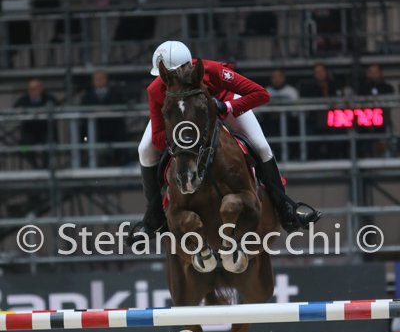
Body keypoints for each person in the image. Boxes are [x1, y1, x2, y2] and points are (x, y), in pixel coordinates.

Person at [135, 40, 321, 237]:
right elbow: (158, 138)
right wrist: (181, 136)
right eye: (165, 76)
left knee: (261, 147)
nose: (168, 81)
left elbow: (261, 94)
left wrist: (226, 107)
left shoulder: (213, 71)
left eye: (173, 74)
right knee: (144, 150)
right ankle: (154, 216)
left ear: (187, 66)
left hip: (224, 103)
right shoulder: (156, 89)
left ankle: (285, 208)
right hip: (182, 113)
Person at [80, 71, 127, 166]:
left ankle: (120, 161)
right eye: (96, 79)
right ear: (92, 81)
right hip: (94, 127)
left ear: (106, 80)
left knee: (120, 132)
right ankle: (84, 162)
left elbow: (121, 107)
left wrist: (109, 111)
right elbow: (83, 110)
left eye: (101, 78)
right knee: (82, 132)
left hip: (112, 126)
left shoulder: (115, 94)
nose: (99, 81)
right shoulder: (87, 96)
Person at [300, 63, 345, 159]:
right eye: (317, 72)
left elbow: (341, 101)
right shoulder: (309, 88)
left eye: (321, 71)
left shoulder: (335, 85)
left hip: (334, 119)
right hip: (315, 120)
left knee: (340, 136)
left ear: (326, 72)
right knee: (310, 134)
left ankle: (338, 157)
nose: (319, 74)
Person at [14, 78, 58, 168]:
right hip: (29, 131)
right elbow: (15, 109)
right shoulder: (23, 99)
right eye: (30, 89)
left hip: (46, 130)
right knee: (23, 147)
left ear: (41, 89)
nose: (32, 91)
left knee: (51, 144)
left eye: (35, 88)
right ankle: (35, 167)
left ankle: (45, 167)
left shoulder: (49, 99)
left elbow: (57, 108)